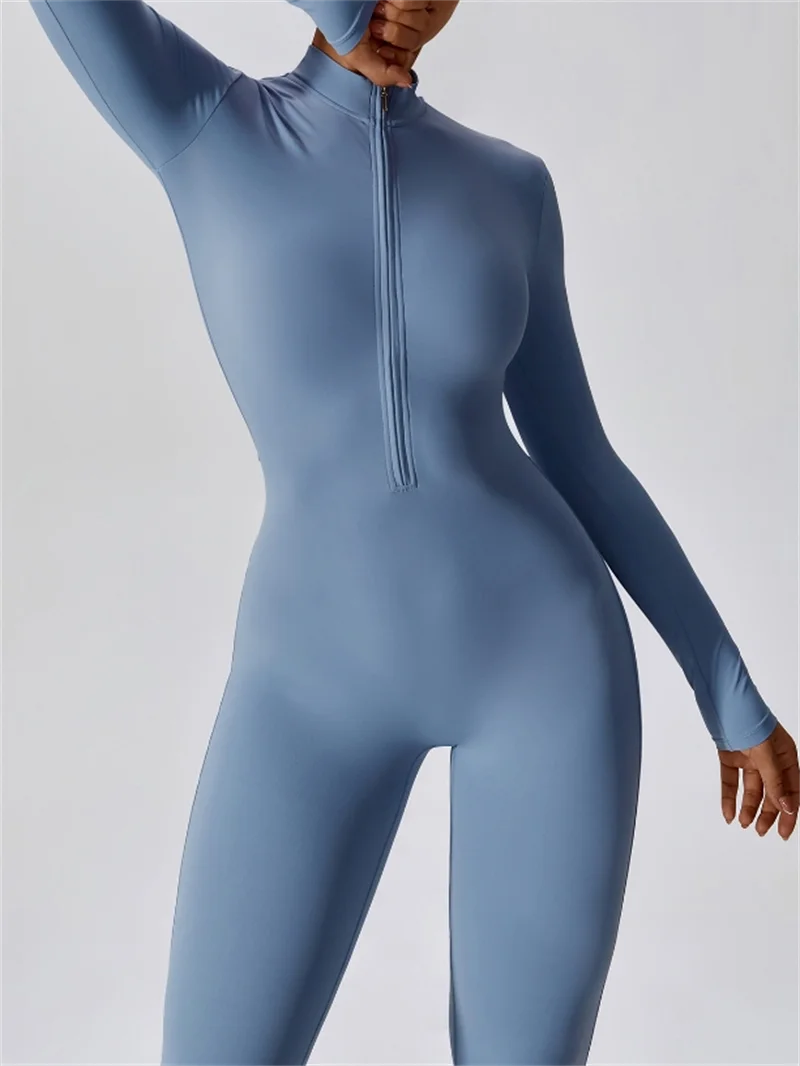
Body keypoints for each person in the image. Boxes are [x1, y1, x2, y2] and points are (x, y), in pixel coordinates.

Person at [26, 1, 799, 1062]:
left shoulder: (510, 186)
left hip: (545, 669)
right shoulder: (203, 123)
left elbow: (579, 456)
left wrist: (728, 690)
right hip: (309, 683)